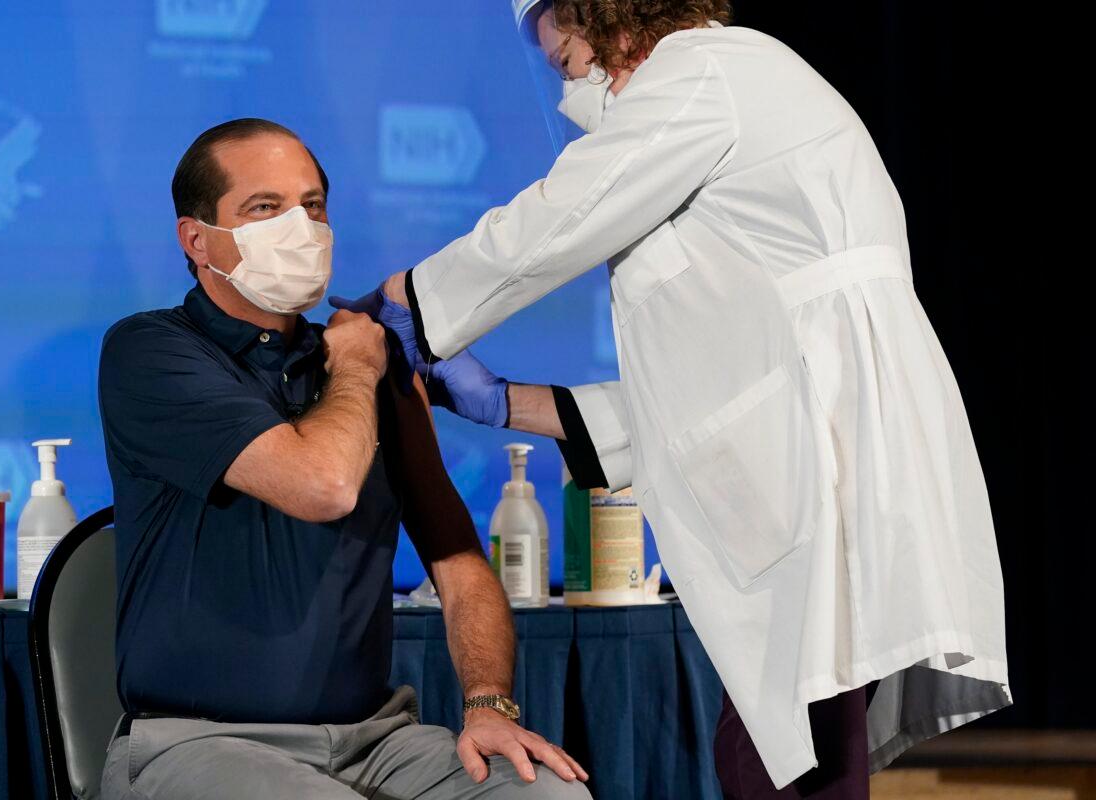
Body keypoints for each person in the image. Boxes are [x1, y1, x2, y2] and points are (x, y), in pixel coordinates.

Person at [334, 2, 1011, 797]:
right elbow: (696, 394)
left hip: (820, 455)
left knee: (782, 759)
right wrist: (505, 403)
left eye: (548, 28)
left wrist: (414, 297)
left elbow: (564, 215)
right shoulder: (715, 114)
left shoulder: (705, 71)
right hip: (803, 450)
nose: (549, 58)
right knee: (784, 750)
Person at [96, 118, 591, 800]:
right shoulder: (153, 352)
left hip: (375, 740)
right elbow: (323, 485)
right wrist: (358, 365)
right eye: (264, 208)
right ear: (197, 240)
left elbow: (458, 560)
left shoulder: (375, 367)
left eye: (313, 206)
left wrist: (487, 705)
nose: (299, 227)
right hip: (199, 741)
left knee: (549, 796)